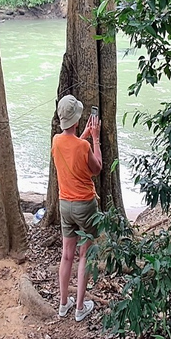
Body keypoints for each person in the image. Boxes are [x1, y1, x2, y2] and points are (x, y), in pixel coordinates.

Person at [51, 95, 102, 322]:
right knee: (84, 255)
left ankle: (63, 304)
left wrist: (85, 138)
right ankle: (80, 308)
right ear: (77, 120)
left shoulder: (56, 141)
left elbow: (71, 150)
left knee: (66, 255)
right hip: (85, 205)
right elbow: (97, 168)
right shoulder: (84, 146)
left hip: (65, 206)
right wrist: (96, 140)